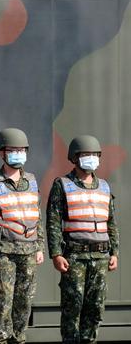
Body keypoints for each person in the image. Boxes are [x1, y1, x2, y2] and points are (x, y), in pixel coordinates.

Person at [0, 128, 45, 344]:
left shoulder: (31, 180)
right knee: (3, 303)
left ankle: (19, 339)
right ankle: (1, 340)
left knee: (24, 303)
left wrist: (40, 246)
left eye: (21, 150)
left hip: (29, 252)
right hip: (2, 253)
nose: (18, 154)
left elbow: (36, 215)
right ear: (1, 153)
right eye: (13, 150)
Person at [46, 135, 119, 344]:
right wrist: (56, 254)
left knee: (96, 306)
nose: (91, 159)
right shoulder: (63, 184)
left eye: (95, 155)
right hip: (75, 256)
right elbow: (53, 222)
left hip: (101, 256)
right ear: (74, 158)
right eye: (86, 155)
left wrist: (115, 252)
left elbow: (111, 222)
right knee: (73, 307)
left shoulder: (104, 186)